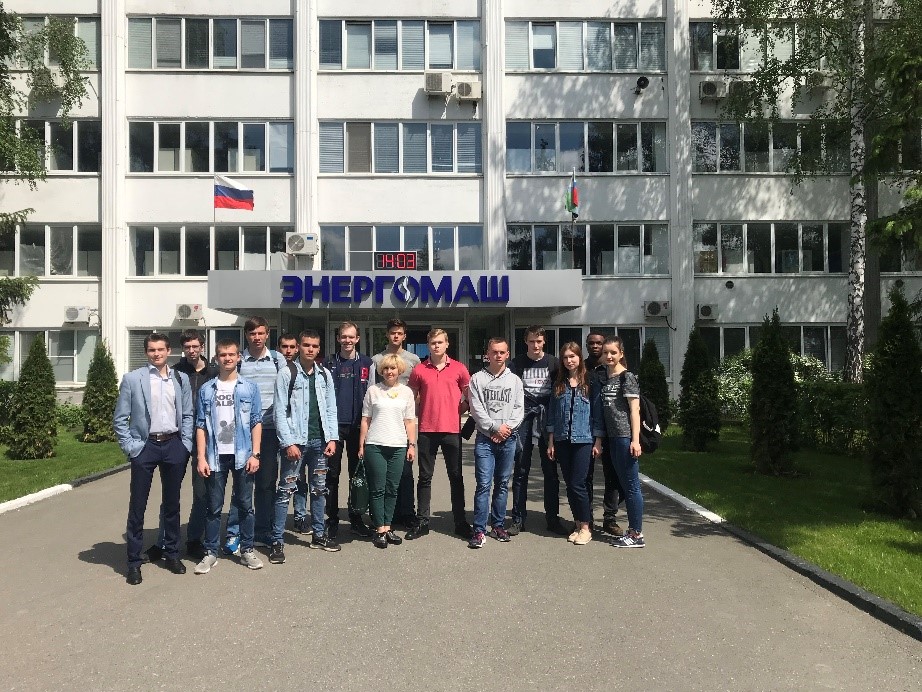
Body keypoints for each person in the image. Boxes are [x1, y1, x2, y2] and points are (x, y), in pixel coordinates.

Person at [113, 333, 193, 585]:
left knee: (172, 504)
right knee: (138, 506)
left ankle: (172, 553)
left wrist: (185, 445)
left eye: (160, 349)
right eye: (151, 350)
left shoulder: (180, 378)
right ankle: (134, 563)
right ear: (146, 352)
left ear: (169, 351)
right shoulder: (133, 379)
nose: (156, 354)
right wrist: (131, 448)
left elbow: (188, 414)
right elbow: (120, 418)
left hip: (173, 445)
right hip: (145, 447)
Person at [143, 329, 217, 563]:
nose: (191, 351)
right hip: (179, 439)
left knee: (202, 493)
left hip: (206, 439)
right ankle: (163, 542)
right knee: (170, 494)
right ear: (182, 349)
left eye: (195, 346)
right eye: (187, 347)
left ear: (202, 347)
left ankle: (194, 539)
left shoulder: (214, 372)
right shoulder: (175, 373)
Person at [269, 330, 340, 564]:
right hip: (296, 443)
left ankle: (319, 535)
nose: (310, 349)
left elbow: (330, 408)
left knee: (319, 490)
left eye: (315, 346)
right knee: (285, 491)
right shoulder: (286, 373)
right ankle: (277, 541)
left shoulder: (324, 375)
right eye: (306, 345)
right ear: (299, 346)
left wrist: (332, 438)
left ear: (319, 349)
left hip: (319, 442)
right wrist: (288, 442)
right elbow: (279, 411)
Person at [193, 340, 264, 573]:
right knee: (213, 507)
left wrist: (255, 454)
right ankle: (210, 552)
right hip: (215, 456)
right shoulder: (207, 389)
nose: (227, 358)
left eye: (231, 354)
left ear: (238, 357)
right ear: (216, 358)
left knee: (245, 506)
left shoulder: (249, 388)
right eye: (223, 355)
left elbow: (256, 421)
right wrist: (201, 457)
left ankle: (247, 550)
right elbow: (201, 425)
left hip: (243, 455)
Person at [224, 316, 286, 555]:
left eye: (261, 333)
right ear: (246, 335)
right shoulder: (239, 361)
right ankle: (234, 532)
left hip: (269, 430)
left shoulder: (278, 360)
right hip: (241, 431)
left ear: (267, 334)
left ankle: (261, 531)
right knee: (241, 485)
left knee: (266, 484)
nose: (257, 337)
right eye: (252, 333)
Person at [406, 328, 472, 540]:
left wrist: (460, 409)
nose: (436, 346)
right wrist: (421, 412)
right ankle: (422, 521)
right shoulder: (419, 370)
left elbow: (470, 395)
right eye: (433, 343)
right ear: (428, 345)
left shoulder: (459, 368)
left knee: (456, 477)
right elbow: (410, 399)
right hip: (427, 430)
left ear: (447, 344)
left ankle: (460, 522)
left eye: (440, 342)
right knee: (425, 477)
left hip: (452, 430)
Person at [466, 337, 524, 549]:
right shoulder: (477, 379)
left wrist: (506, 429)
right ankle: (479, 530)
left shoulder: (515, 381)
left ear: (507, 354)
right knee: (484, 485)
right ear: (487, 355)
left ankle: (498, 525)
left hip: (508, 438)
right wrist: (493, 428)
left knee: (501, 484)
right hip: (485, 439)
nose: (498, 356)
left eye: (502, 352)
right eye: (494, 352)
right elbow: (476, 409)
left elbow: (519, 409)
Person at [508, 326, 566, 536]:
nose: (535, 345)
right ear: (526, 341)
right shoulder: (516, 363)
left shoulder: (554, 363)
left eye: (539, 341)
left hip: (547, 420)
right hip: (524, 419)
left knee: (550, 471)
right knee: (521, 469)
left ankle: (552, 519)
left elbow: (561, 390)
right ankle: (518, 518)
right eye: (532, 341)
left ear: (544, 342)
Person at [591, 336, 645, 548]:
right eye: (606, 353)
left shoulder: (627, 377)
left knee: (631, 487)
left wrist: (635, 440)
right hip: (612, 439)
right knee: (623, 484)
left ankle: (636, 534)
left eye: (613, 352)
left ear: (621, 353)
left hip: (624, 438)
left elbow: (634, 410)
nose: (609, 356)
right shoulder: (606, 377)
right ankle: (632, 532)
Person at [358, 354, 417, 548]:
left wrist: (411, 445)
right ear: (381, 371)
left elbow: (410, 421)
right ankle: (379, 529)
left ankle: (388, 526)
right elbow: (365, 419)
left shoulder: (406, 392)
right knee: (378, 489)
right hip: (375, 444)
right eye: (386, 368)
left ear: (400, 370)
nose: (389, 372)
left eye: (393, 368)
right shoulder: (373, 391)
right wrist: (361, 444)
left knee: (392, 488)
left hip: (398, 446)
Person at [324, 321, 375, 539]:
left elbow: (372, 394)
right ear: (338, 338)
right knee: (332, 475)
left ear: (357, 339)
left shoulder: (367, 363)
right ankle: (331, 519)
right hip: (334, 428)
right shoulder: (328, 363)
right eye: (343, 336)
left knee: (357, 475)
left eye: (351, 337)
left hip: (358, 427)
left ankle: (356, 518)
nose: (347, 340)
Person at [547, 343, 600, 546]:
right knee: (569, 484)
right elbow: (552, 414)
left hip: (583, 440)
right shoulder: (559, 384)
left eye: (573, 356)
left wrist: (598, 440)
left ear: (579, 357)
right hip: (562, 439)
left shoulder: (590, 382)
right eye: (565, 357)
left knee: (579, 483)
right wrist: (551, 441)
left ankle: (586, 527)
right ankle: (577, 524)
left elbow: (597, 413)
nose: (569, 361)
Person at [372, 318, 420, 525]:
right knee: (383, 474)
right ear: (387, 334)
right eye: (392, 333)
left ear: (404, 336)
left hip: (404, 418)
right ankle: (384, 515)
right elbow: (373, 389)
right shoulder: (376, 360)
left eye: (399, 333)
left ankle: (407, 512)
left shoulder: (413, 360)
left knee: (405, 472)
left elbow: (418, 389)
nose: (396, 336)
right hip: (384, 421)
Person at [584, 330, 625, 537]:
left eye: (598, 343)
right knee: (586, 476)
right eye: (591, 343)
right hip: (585, 428)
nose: (595, 346)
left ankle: (610, 518)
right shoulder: (582, 367)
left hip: (611, 430)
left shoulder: (614, 369)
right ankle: (587, 518)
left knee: (613, 475)